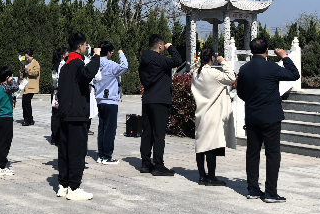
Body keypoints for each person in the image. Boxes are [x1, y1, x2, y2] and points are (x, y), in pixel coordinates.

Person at [235, 38, 300, 204]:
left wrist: (252, 101)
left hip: (252, 115)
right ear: (267, 50)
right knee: (272, 154)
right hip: (270, 117)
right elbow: (294, 75)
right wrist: (284, 56)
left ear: (251, 51)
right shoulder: (272, 67)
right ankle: (270, 192)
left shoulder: (244, 69)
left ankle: (252, 189)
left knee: (252, 153)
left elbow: (241, 92)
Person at [56, 33, 100, 201]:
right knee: (77, 151)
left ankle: (64, 185)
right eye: (85, 45)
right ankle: (74, 187)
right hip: (77, 114)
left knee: (65, 150)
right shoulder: (76, 63)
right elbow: (87, 74)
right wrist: (96, 57)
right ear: (80, 46)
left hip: (65, 114)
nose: (86, 48)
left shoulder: (64, 65)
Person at [138, 34, 183, 176]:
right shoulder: (159, 59)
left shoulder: (144, 59)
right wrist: (171, 48)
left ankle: (145, 163)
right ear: (160, 46)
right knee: (158, 134)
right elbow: (178, 60)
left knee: (147, 132)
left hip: (148, 99)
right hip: (160, 100)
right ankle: (158, 165)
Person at [191, 48, 236, 186]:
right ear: (212, 58)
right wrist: (223, 62)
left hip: (200, 111)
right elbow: (232, 77)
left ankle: (201, 176)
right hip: (213, 113)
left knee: (200, 144)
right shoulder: (213, 73)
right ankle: (211, 176)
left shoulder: (195, 73)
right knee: (211, 145)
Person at [93, 42, 127, 165]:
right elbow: (124, 67)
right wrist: (121, 54)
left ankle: (101, 154)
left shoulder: (95, 63)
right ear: (108, 52)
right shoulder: (110, 64)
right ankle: (107, 156)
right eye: (112, 52)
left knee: (102, 128)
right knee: (110, 129)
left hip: (100, 99)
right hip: (110, 100)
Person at [0, 65, 17, 176]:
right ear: (7, 77)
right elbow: (16, 87)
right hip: (6, 118)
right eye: (11, 76)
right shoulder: (6, 88)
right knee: (5, 142)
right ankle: (1, 166)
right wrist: (13, 80)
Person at [49, 46, 66, 145]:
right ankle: (57, 136)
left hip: (55, 92)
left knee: (55, 115)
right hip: (59, 92)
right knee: (58, 115)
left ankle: (54, 136)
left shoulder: (55, 65)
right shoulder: (61, 65)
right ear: (63, 55)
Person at [20, 49, 39, 126]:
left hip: (31, 86)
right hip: (25, 86)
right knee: (25, 103)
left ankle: (28, 120)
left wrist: (27, 69)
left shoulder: (35, 63)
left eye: (28, 57)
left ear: (32, 56)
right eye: (26, 57)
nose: (27, 59)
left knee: (26, 101)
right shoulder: (26, 63)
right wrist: (22, 70)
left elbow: (35, 73)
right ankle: (28, 119)